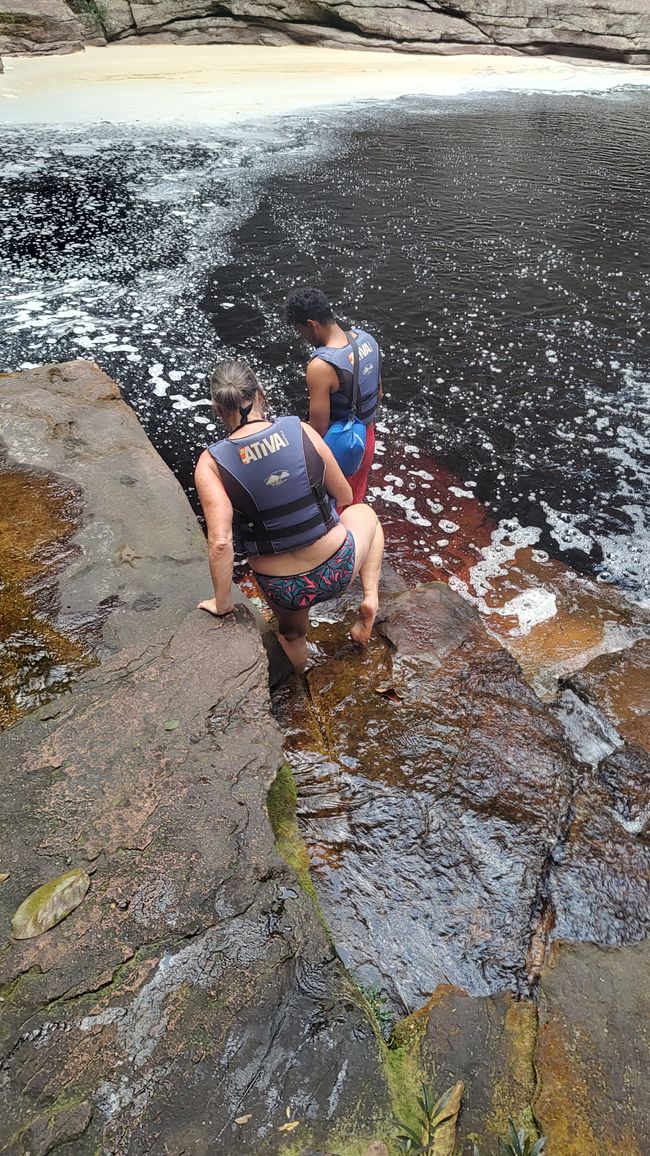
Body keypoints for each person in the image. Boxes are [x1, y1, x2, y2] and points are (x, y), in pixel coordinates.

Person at [195, 359, 384, 674]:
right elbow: (346, 496)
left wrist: (223, 603)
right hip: (337, 568)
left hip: (285, 588)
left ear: (218, 409)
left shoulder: (211, 463)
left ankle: (300, 684)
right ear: (260, 394)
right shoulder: (300, 429)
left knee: (292, 634)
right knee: (366, 513)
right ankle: (370, 599)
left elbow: (219, 542)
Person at [285, 286, 382, 503]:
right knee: (355, 497)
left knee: (335, 504)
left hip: (340, 447)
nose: (303, 338)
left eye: (301, 332)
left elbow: (318, 429)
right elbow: (379, 394)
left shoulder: (321, 366)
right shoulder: (368, 340)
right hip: (365, 437)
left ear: (312, 325)